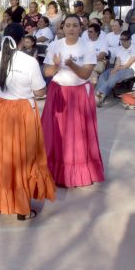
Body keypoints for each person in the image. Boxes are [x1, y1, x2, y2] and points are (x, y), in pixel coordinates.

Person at [0, 23, 55, 220]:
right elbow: (40, 91)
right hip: (21, 112)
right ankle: (21, 208)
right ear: (21, 40)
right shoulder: (29, 61)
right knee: (22, 157)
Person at [41, 15, 104, 187]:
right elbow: (47, 72)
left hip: (79, 93)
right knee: (56, 132)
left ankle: (77, 174)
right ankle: (54, 171)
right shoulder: (55, 45)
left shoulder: (88, 47)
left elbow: (85, 74)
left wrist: (71, 64)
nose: (71, 29)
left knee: (77, 134)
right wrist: (56, 66)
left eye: (75, 25)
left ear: (80, 28)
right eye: (68, 25)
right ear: (62, 27)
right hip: (58, 92)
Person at [95, 31, 135, 106]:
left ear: (129, 40)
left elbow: (127, 65)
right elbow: (118, 63)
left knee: (114, 76)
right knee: (103, 75)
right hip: (119, 68)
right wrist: (115, 69)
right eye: (121, 39)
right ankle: (98, 96)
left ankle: (99, 94)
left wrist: (115, 70)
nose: (122, 42)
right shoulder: (119, 48)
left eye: (124, 39)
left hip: (130, 70)